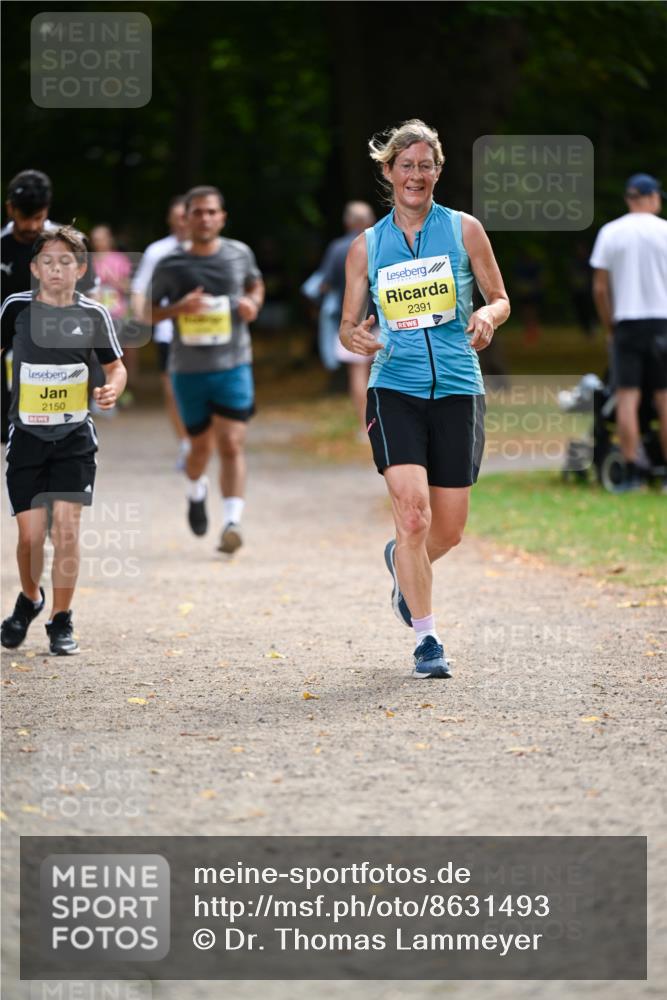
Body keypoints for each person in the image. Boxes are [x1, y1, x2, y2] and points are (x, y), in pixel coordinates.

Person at [340, 119, 510, 678]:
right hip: (395, 388)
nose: (416, 175)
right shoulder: (366, 246)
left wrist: (486, 313)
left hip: (459, 386)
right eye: (405, 165)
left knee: (449, 528)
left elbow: (500, 297)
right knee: (413, 516)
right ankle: (427, 640)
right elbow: (347, 326)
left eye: (426, 165)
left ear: (438, 171)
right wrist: (357, 336)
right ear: (388, 172)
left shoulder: (465, 230)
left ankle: (400, 565)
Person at [1, 226, 126, 654]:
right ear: (34, 268)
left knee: (68, 530)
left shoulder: (93, 314)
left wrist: (113, 388)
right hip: (27, 438)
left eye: (66, 261)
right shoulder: (15, 309)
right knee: (31, 538)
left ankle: (61, 620)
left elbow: (115, 366)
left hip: (74, 437)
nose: (56, 269)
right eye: (48, 262)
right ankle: (30, 598)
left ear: (81, 268)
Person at [148, 185, 264, 552]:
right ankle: (196, 489)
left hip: (233, 364)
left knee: (231, 443)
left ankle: (232, 522)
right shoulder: (171, 264)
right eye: (197, 212)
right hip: (189, 369)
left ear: (222, 217)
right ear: (186, 217)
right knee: (199, 449)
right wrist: (176, 309)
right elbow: (146, 313)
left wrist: (252, 303)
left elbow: (255, 284)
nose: (205, 218)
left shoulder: (239, 254)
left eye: (212, 212)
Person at [1, 170, 95, 440]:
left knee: (57, 430)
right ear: (10, 209)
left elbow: (89, 298)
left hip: (59, 347)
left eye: (38, 218)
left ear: (47, 211)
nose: (31, 226)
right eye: (24, 217)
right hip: (8, 344)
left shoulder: (73, 244)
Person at [590, 173, 667, 491]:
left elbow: (599, 288)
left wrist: (610, 325)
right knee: (664, 400)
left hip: (627, 324)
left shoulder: (611, 232)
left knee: (627, 398)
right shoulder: (665, 231)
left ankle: (633, 468)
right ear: (651, 198)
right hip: (663, 322)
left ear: (628, 199)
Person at [131, 195, 194, 467]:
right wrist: (139, 315)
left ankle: (199, 438)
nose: (182, 221)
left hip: (204, 333)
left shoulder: (206, 249)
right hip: (168, 331)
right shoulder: (157, 251)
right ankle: (185, 444)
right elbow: (139, 288)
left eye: (186, 215)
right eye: (177, 215)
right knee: (172, 391)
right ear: (170, 219)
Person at [318, 202, 377, 439]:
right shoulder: (382, 243)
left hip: (353, 322)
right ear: (371, 220)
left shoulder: (338, 248)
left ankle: (365, 428)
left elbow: (325, 283)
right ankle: (386, 422)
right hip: (386, 319)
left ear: (347, 222)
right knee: (384, 374)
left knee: (358, 375)